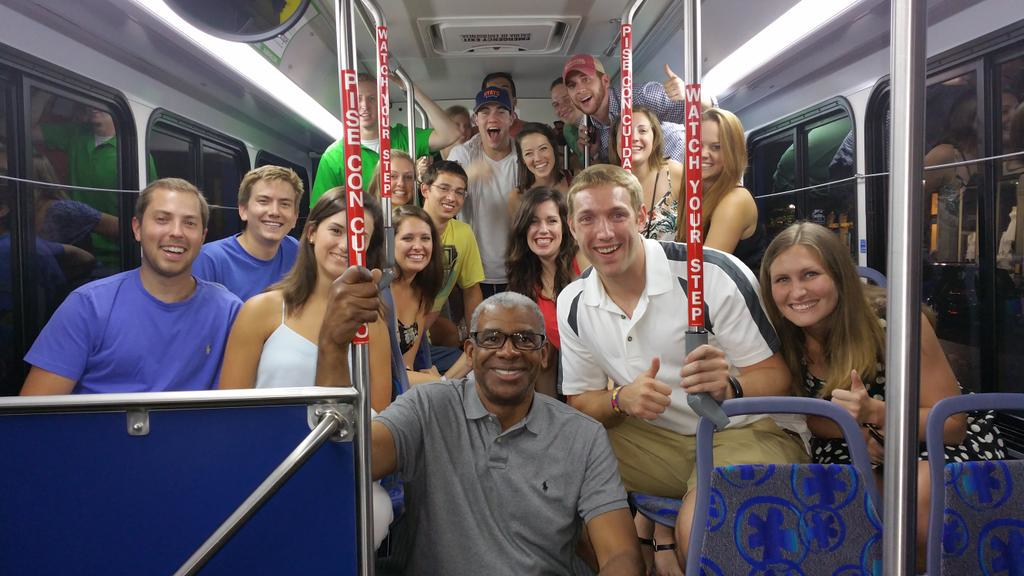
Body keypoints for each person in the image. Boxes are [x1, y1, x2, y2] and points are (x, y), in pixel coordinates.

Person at [557, 164, 808, 571]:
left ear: (641, 217)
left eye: (617, 215)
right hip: (654, 440)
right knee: (555, 482)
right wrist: (621, 399)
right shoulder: (573, 303)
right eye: (588, 218)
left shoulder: (711, 274)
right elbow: (582, 403)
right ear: (572, 226)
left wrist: (731, 388)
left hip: (745, 429)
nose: (603, 233)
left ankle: (668, 538)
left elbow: (777, 377)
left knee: (706, 529)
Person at [315, 281, 645, 575]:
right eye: (492, 338)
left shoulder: (583, 436)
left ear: (544, 355)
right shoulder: (429, 407)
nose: (508, 351)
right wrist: (332, 344)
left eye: (524, 339)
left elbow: (621, 555)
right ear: (470, 352)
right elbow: (353, 457)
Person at [760, 221, 1004, 563]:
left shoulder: (897, 323)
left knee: (916, 494)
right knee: (847, 502)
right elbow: (812, 420)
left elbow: (952, 425)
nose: (797, 292)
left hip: (931, 440)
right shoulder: (777, 339)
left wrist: (875, 414)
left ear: (840, 277)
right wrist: (863, 435)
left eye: (810, 275)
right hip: (849, 444)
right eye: (782, 280)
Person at [21, 178, 242, 395]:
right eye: (162, 219)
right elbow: (37, 415)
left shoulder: (229, 312)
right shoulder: (88, 306)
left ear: (202, 236)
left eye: (190, 223)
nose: (177, 232)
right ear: (137, 228)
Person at [217, 188, 396, 411]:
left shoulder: (371, 323)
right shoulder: (261, 310)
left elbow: (377, 417)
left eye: (359, 237)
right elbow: (229, 409)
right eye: (336, 230)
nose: (346, 245)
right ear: (312, 232)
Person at [310, 74, 459, 207]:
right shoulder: (334, 156)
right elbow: (321, 211)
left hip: (408, 231)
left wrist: (410, 88)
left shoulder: (404, 136)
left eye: (372, 99)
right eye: (358, 99)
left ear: (383, 104)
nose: (364, 106)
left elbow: (450, 134)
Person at [506, 187, 587, 397]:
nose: (543, 230)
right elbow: (546, 361)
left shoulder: (583, 261)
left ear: (565, 226)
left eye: (551, 221)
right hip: (571, 376)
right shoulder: (525, 281)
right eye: (534, 221)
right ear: (524, 228)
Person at [673, 107, 766, 271]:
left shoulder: (735, 199)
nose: (703, 153)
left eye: (716, 147)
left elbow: (705, 272)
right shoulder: (697, 195)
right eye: (697, 145)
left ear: (732, 152)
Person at [192, 165, 302, 301]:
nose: (274, 212)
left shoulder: (296, 252)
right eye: (263, 201)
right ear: (243, 210)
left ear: (295, 217)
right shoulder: (209, 260)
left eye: (285, 204)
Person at [448, 87, 518, 298]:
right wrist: (468, 175)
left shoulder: (524, 156)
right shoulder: (463, 154)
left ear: (512, 118)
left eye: (501, 112)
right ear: (475, 119)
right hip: (472, 272)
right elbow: (441, 198)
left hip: (517, 270)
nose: (492, 118)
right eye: (485, 112)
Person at [418, 160, 484, 376]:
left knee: (477, 372)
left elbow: (471, 290)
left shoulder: (463, 234)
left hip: (424, 339)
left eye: (459, 192)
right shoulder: (405, 228)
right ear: (425, 190)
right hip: (399, 336)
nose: (452, 198)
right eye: (444, 188)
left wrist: (477, 338)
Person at [563, 55, 687, 164]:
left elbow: (699, 117)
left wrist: (689, 96)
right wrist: (593, 154)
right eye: (572, 85)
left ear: (605, 81)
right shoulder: (590, 132)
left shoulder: (641, 96)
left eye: (586, 79)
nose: (580, 90)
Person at [388, 205, 445, 384]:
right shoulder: (378, 291)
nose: (418, 246)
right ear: (389, 243)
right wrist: (438, 382)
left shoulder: (422, 293)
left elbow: (406, 366)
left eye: (425, 239)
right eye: (408, 238)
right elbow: (389, 374)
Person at [610, 107, 684, 242]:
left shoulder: (676, 174)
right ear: (615, 141)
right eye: (625, 131)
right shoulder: (605, 187)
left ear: (654, 138)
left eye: (642, 131)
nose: (633, 138)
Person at [507, 123, 572, 218]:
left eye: (543, 148)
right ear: (522, 159)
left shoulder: (575, 181)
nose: (537, 158)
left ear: (554, 149)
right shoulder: (517, 197)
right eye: (529, 153)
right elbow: (517, 232)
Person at [551, 77, 585, 167]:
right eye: (556, 104)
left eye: (567, 99)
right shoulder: (567, 130)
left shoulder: (602, 122)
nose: (562, 108)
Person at [482, 72, 527, 137]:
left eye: (504, 91)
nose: (498, 95)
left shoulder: (532, 131)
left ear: (514, 101)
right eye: (492, 91)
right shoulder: (474, 134)